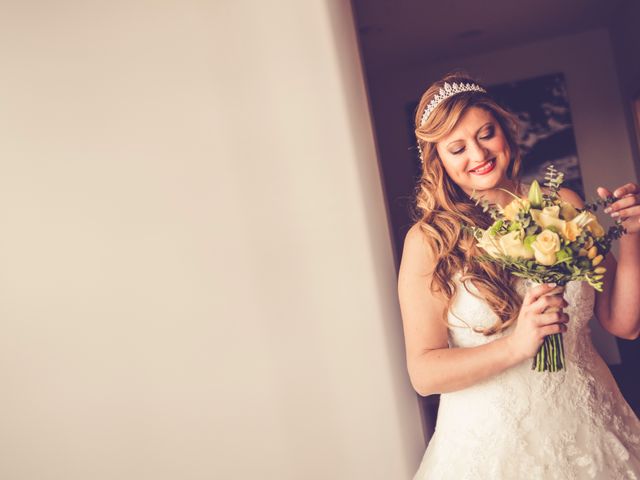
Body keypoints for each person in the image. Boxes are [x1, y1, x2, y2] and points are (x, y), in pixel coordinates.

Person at [398, 71, 640, 479]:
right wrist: (517, 346)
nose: (478, 155)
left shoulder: (561, 204)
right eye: (457, 148)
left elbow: (624, 323)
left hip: (594, 428)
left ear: (504, 129)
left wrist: (632, 237)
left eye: (485, 134)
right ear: (437, 161)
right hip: (496, 450)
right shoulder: (429, 240)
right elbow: (424, 374)